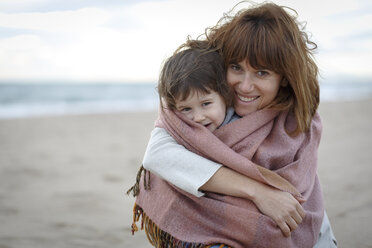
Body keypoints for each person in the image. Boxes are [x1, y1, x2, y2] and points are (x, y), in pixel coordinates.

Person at [131, 2, 337, 247]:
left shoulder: (298, 124)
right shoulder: (199, 104)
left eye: (262, 73)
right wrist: (259, 192)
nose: (245, 86)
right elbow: (157, 155)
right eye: (236, 68)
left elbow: (299, 201)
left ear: (284, 78)